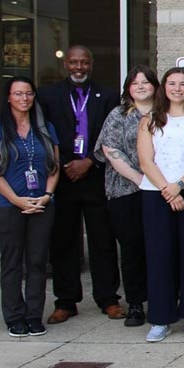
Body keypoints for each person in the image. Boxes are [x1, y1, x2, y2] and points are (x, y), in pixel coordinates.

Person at [38, 45, 122, 324]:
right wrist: (66, 164)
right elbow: (43, 134)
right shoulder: (48, 96)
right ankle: (66, 301)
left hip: (95, 177)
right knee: (63, 241)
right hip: (62, 178)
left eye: (84, 62)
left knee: (103, 240)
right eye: (74, 62)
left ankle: (108, 298)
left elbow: (111, 136)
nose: (79, 67)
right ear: (65, 65)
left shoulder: (108, 96)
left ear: (91, 64)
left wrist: (90, 161)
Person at [137, 67, 184, 342]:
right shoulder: (149, 121)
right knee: (159, 256)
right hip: (156, 193)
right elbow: (146, 162)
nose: (177, 89)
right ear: (163, 87)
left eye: (183, 84)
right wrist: (168, 190)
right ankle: (160, 318)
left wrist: (179, 185)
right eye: (172, 83)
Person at [0, 77, 59, 337]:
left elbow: (54, 167)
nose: (24, 98)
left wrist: (47, 195)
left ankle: (33, 315)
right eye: (18, 93)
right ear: (8, 97)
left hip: (41, 204)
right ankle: (14, 316)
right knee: (12, 263)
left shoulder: (45, 128)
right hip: (8, 206)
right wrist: (16, 200)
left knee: (37, 262)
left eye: (28, 93)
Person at [94, 66, 158, 328]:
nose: (140, 86)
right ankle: (135, 303)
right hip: (125, 190)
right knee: (132, 249)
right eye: (134, 83)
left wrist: (157, 182)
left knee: (159, 248)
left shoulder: (165, 114)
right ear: (128, 88)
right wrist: (139, 179)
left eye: (145, 82)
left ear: (155, 85)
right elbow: (110, 150)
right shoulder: (118, 115)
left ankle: (161, 300)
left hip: (161, 190)